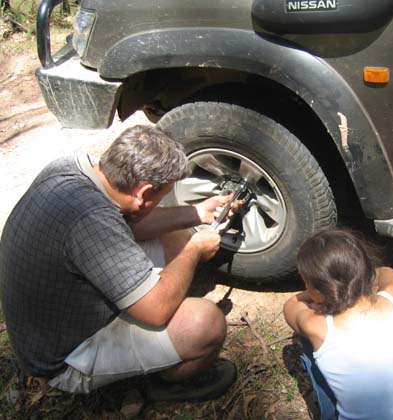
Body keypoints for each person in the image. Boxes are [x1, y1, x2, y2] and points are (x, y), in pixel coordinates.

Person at [0, 125, 238, 401]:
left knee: (178, 234)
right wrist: (194, 250)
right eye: (160, 197)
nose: (160, 202)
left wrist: (197, 213)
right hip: (64, 357)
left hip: (54, 313)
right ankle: (167, 384)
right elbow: (156, 311)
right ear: (144, 192)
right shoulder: (92, 221)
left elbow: (131, 223)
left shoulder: (71, 169)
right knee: (205, 323)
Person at [283, 228, 393, 420]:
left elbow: (291, 305)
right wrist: (354, 280)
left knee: (306, 340)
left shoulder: (318, 328)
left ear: (319, 290)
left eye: (307, 284)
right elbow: (384, 272)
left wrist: (319, 298)